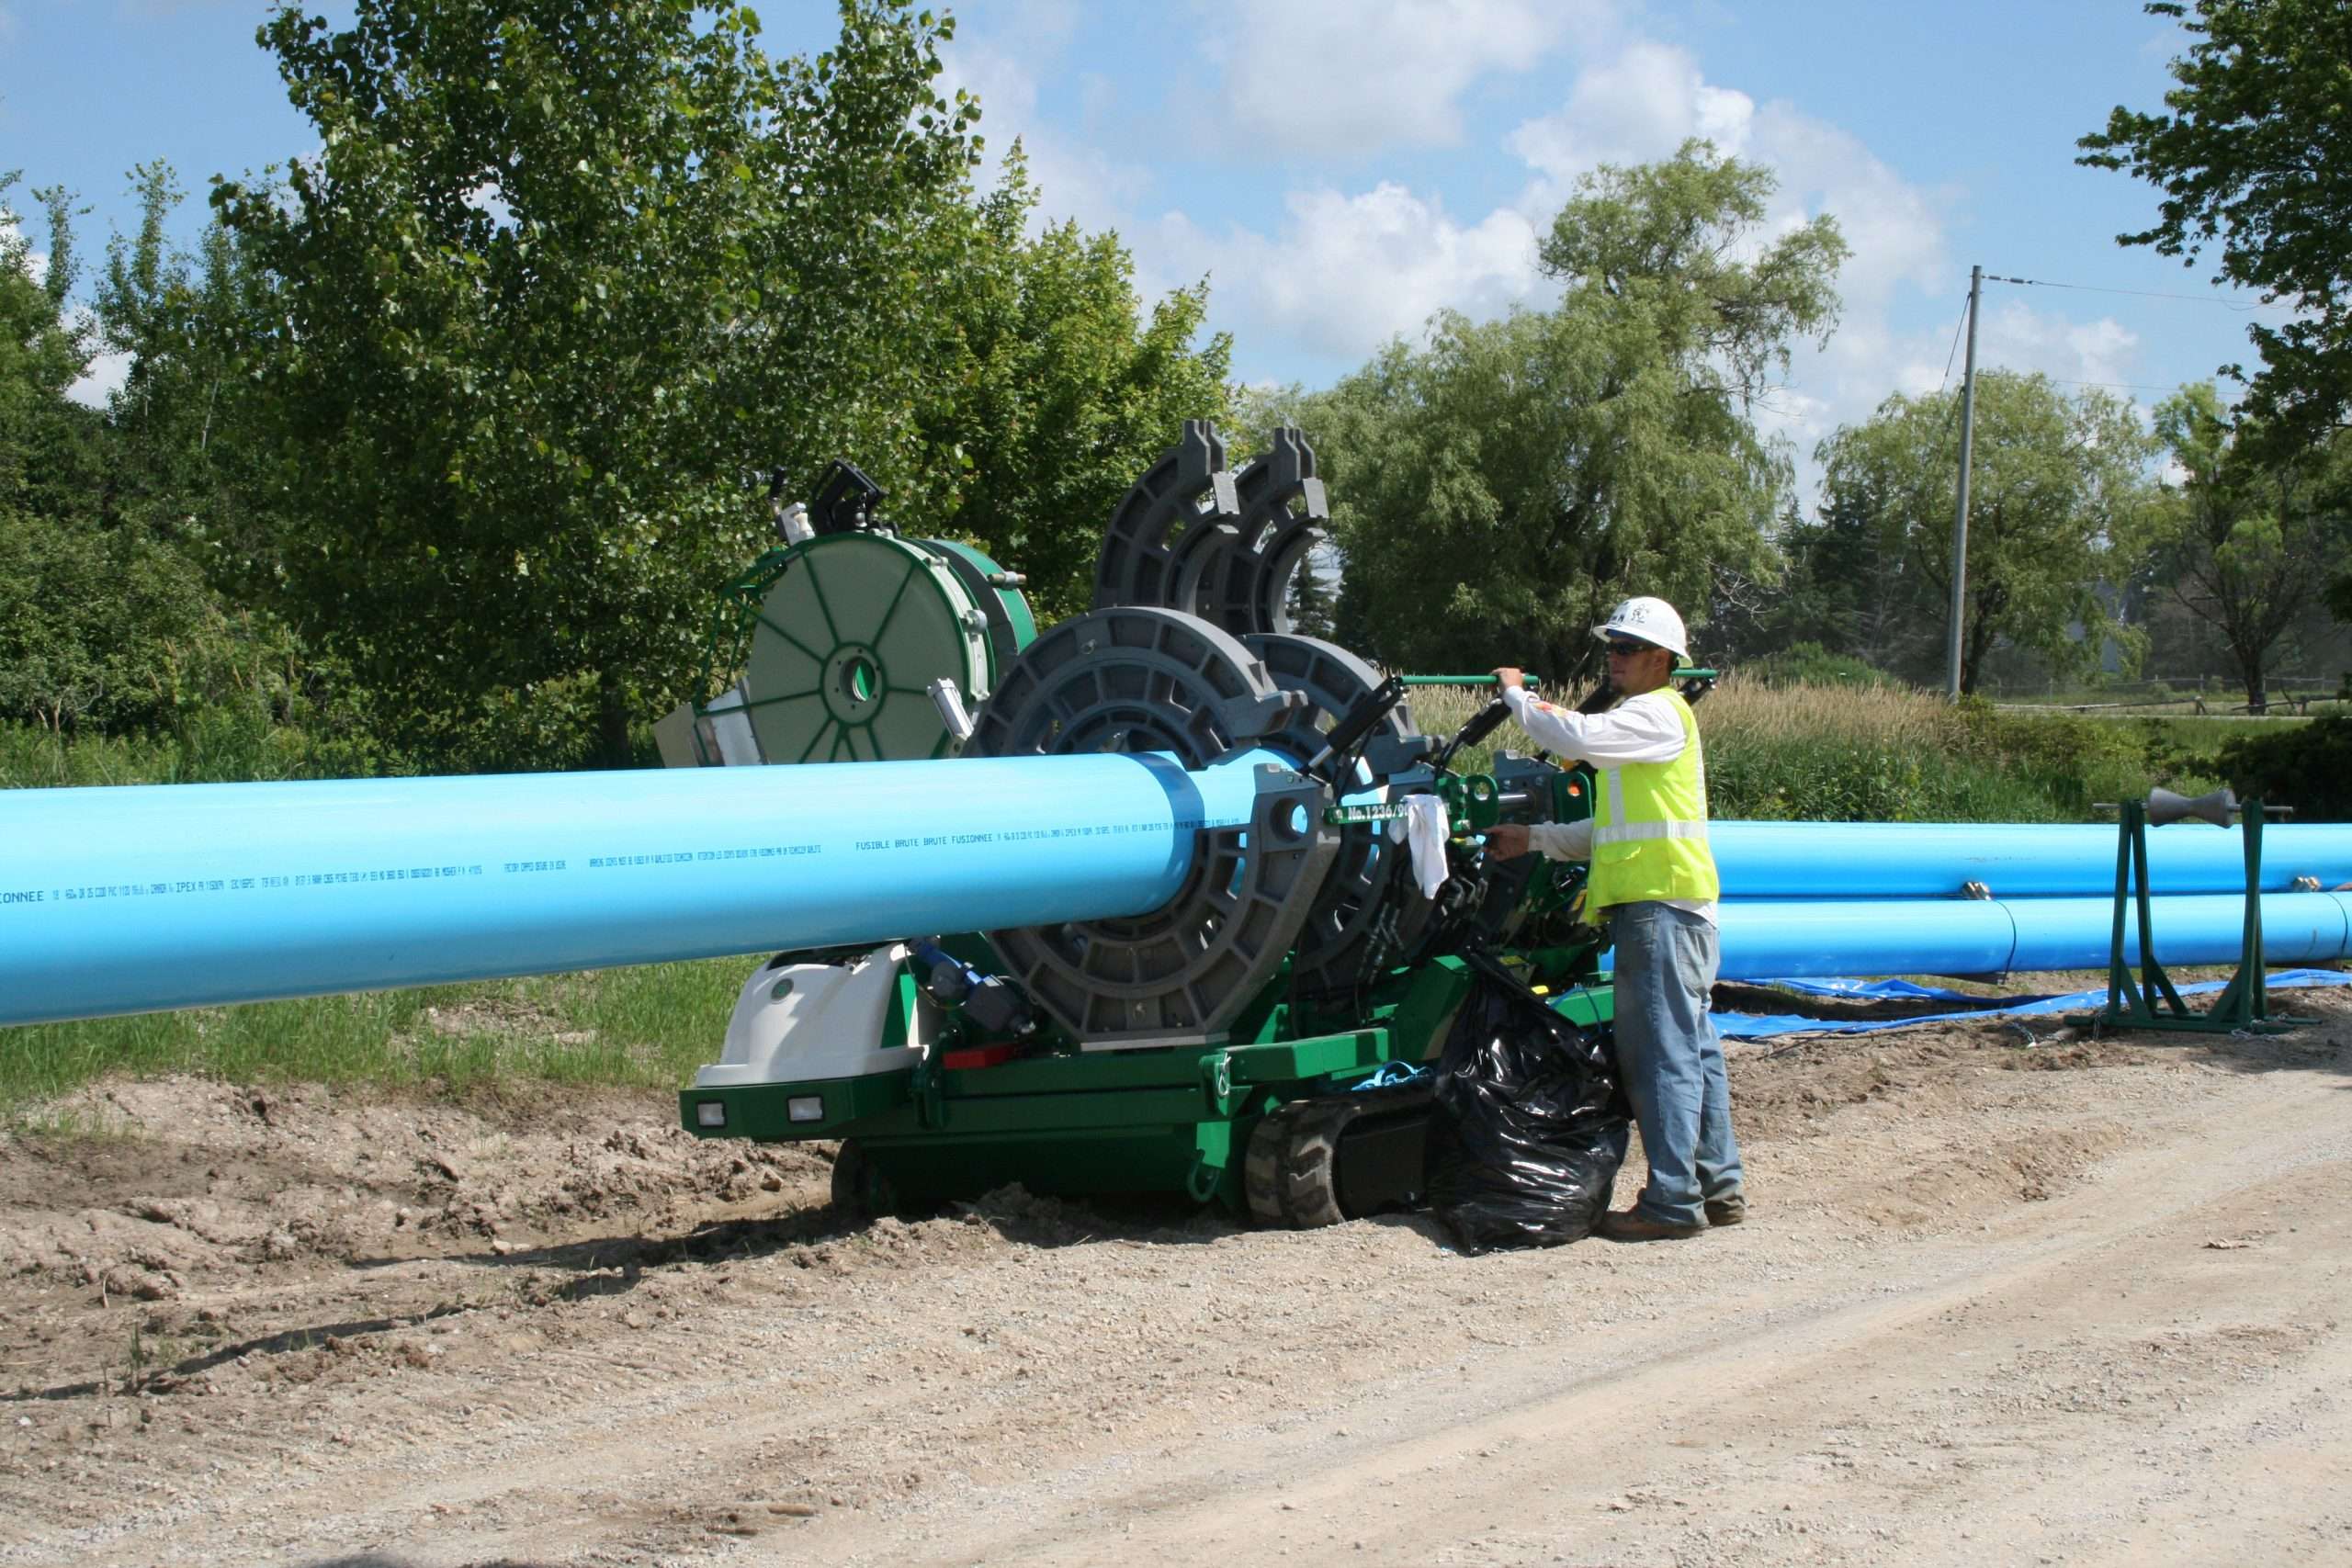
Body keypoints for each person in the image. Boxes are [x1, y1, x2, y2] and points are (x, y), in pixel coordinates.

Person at [1482, 595, 1746, 1243]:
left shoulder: (1654, 713)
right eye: (1612, 647)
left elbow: (1573, 734)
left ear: (1662, 659)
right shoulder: (1651, 728)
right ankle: (1719, 1183)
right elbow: (1611, 830)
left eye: (1627, 649)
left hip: (1661, 909)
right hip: (1674, 905)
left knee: (1661, 1054)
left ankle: (1673, 1201)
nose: (1614, 658)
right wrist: (1534, 837)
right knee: (1694, 1047)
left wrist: (1517, 697)